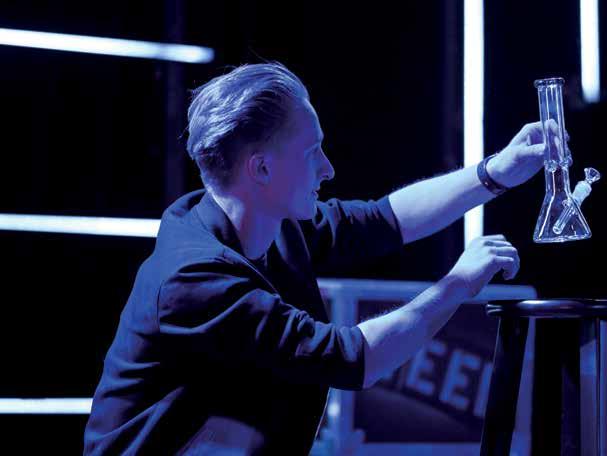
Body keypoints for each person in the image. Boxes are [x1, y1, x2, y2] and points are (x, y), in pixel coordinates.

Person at [83, 62, 547, 455]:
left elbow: (383, 220)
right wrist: (458, 284)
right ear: (261, 168)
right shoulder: (193, 279)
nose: (328, 168)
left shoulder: (275, 224)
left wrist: (495, 173)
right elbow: (354, 359)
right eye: (311, 152)